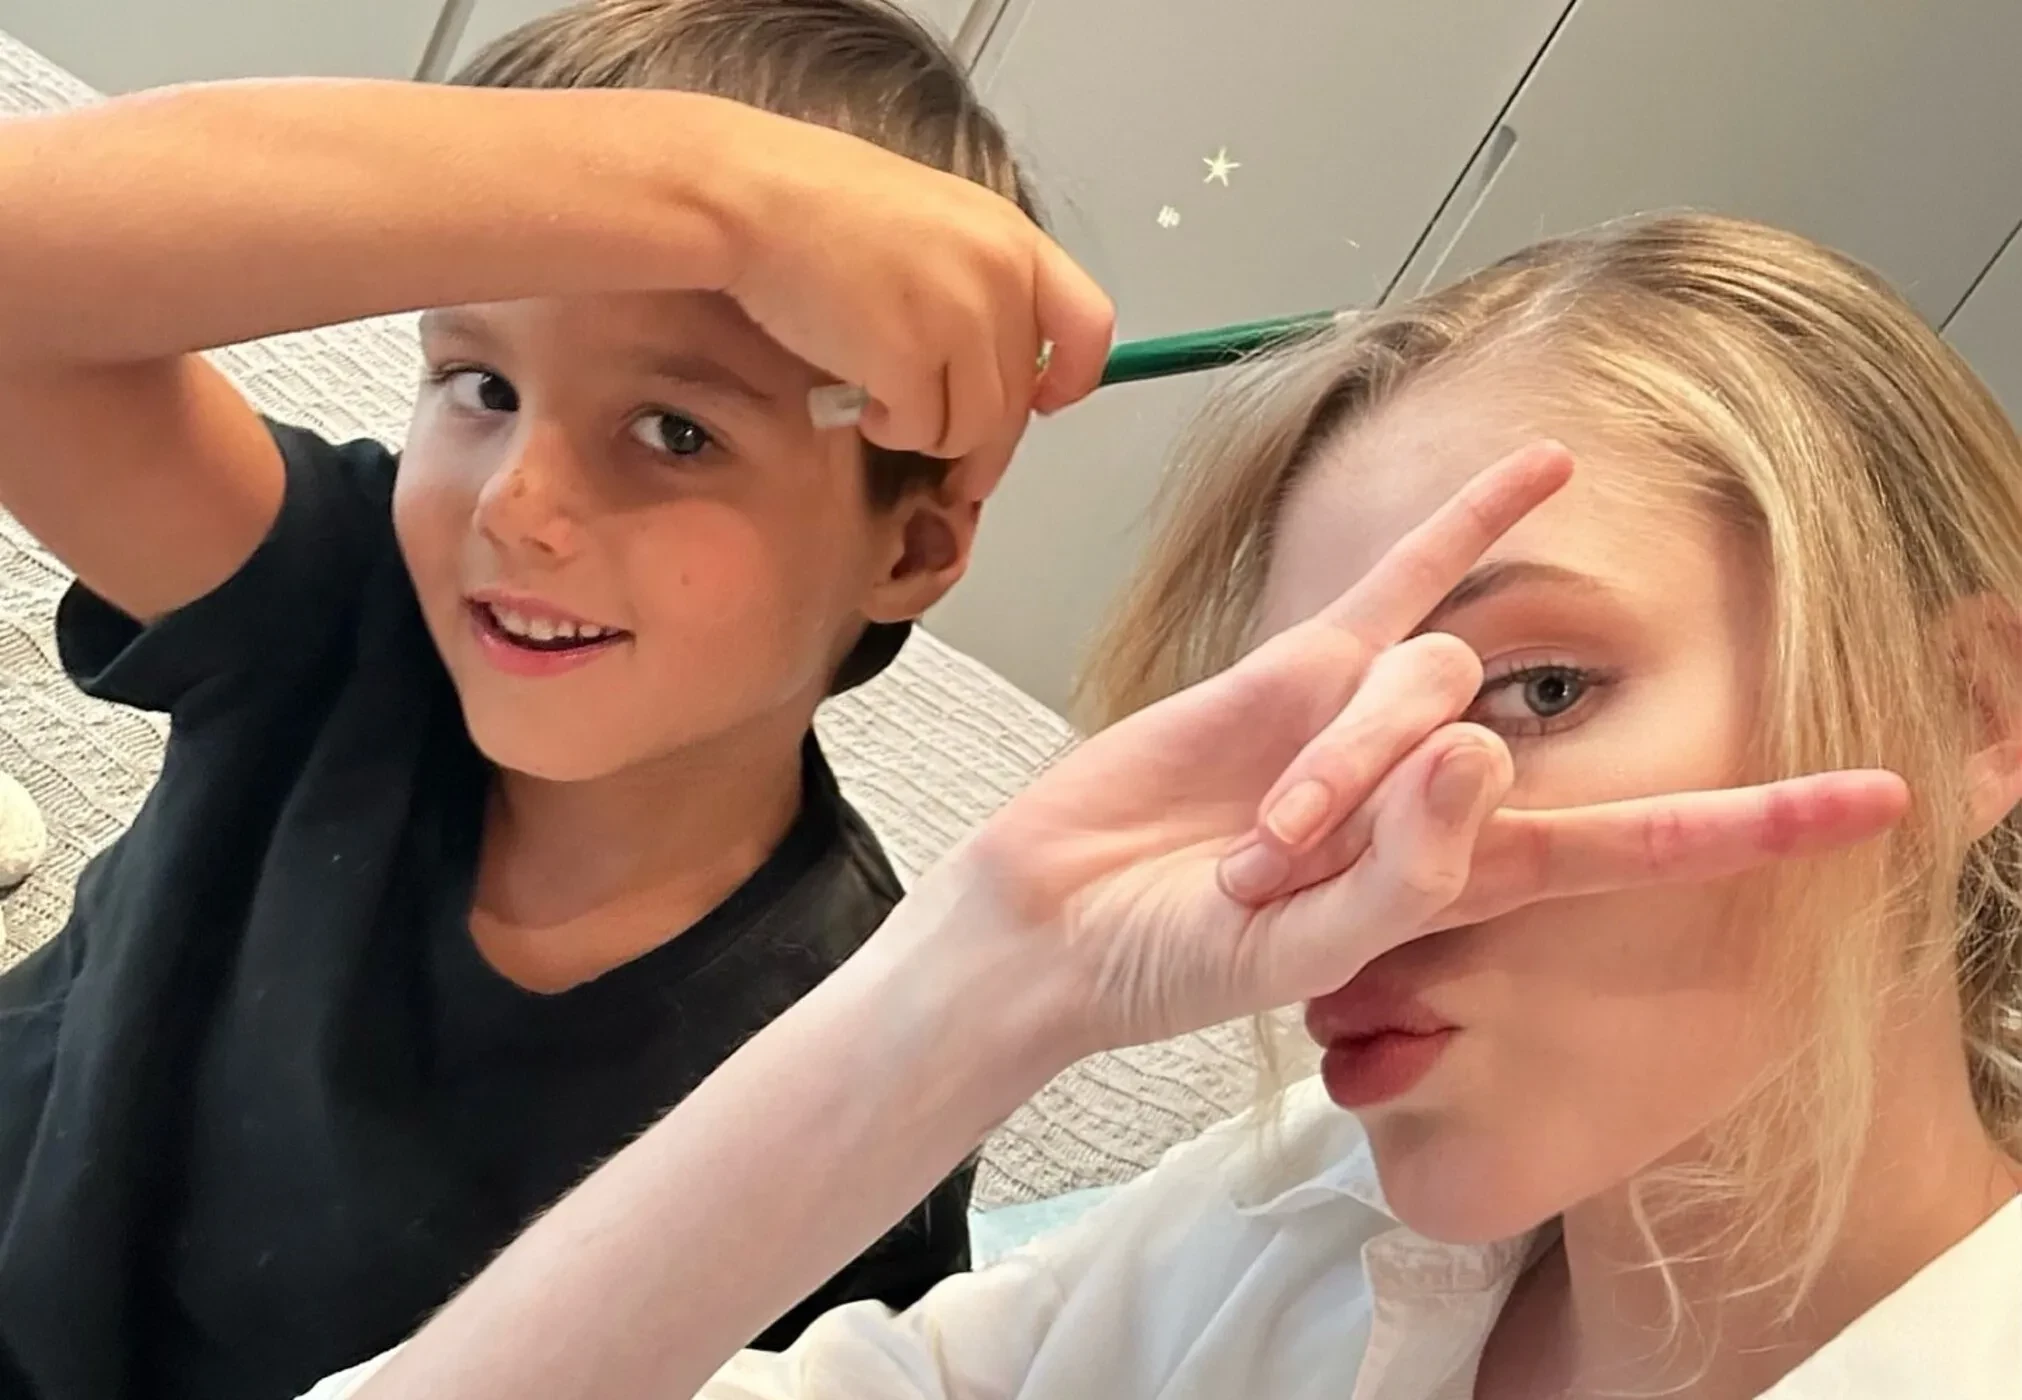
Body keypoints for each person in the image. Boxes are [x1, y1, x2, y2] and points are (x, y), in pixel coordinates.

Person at [297, 210, 2022, 1400]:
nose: (1346, 846)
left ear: (1970, 714)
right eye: (1298, 745)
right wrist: (974, 978)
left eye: (1539, 691)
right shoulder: (1284, 1226)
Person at [0, 2, 1114, 1397]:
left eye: (676, 431)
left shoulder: (860, 1053)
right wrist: (714, 194)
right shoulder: (343, 601)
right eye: (481, 384)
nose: (517, 504)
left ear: (911, 548)